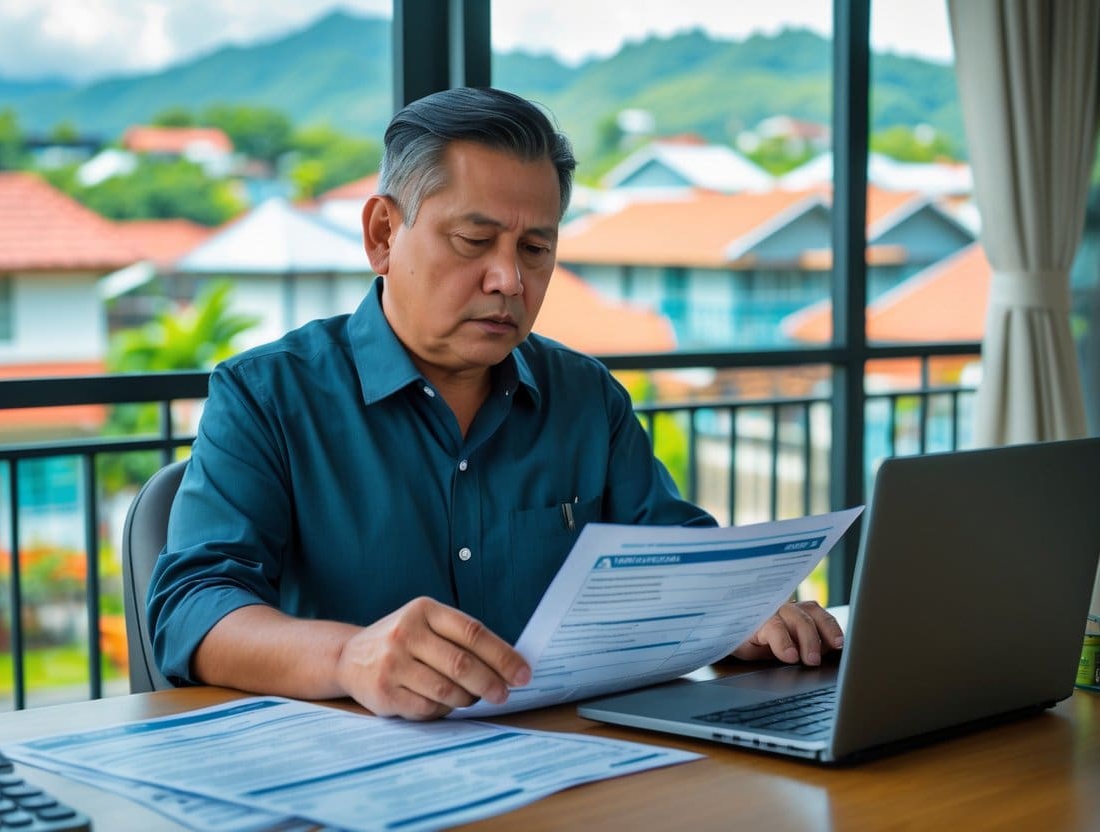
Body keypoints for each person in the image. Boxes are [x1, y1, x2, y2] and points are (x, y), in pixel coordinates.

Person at [148, 86, 843, 721]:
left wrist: (740, 611)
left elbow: (676, 557)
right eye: (474, 241)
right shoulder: (266, 396)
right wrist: (348, 656)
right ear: (382, 235)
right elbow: (192, 609)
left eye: (535, 248)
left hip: (573, 765)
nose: (509, 278)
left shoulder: (585, 398)